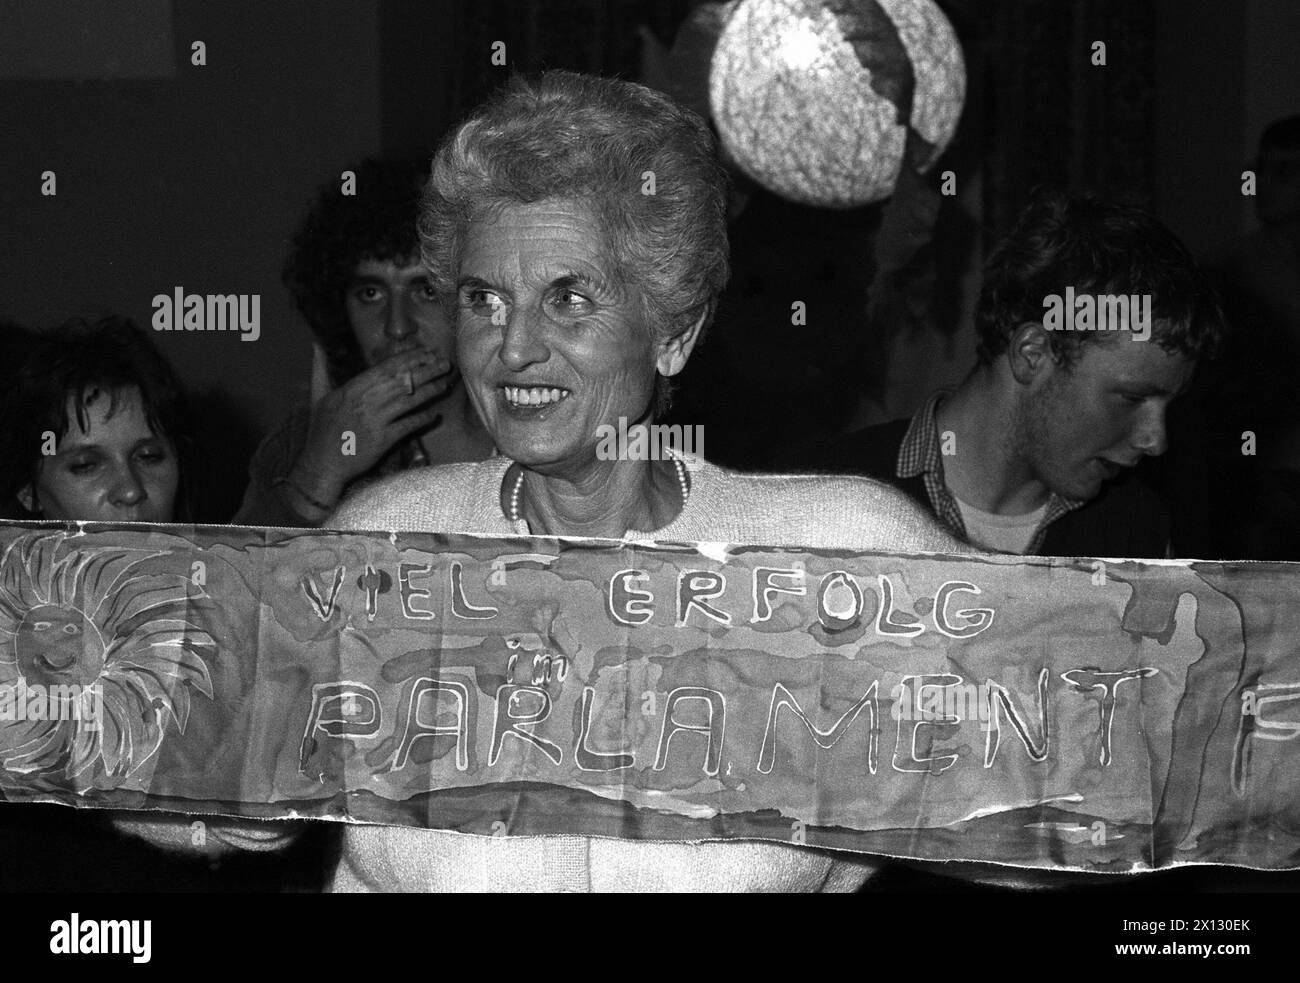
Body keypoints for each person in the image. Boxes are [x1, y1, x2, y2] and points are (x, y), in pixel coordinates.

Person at [119, 71, 966, 892]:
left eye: (568, 297)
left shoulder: (843, 546)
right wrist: (231, 802)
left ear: (673, 330)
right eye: (485, 299)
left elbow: (1073, 795)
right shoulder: (383, 541)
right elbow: (162, 748)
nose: (513, 346)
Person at [0, 316, 327, 891]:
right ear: (29, 488)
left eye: (148, 455)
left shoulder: (242, 611)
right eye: (86, 464)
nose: (129, 489)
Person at [782, 189, 1224, 559]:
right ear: (1033, 352)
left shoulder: (1136, 531)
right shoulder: (817, 499)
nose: (1155, 439)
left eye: (1168, 405)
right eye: (1131, 398)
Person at [232, 156, 495, 528]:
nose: (397, 327)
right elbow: (232, 576)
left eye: (425, 291)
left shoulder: (526, 421)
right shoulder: (302, 442)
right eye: (371, 293)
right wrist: (316, 475)